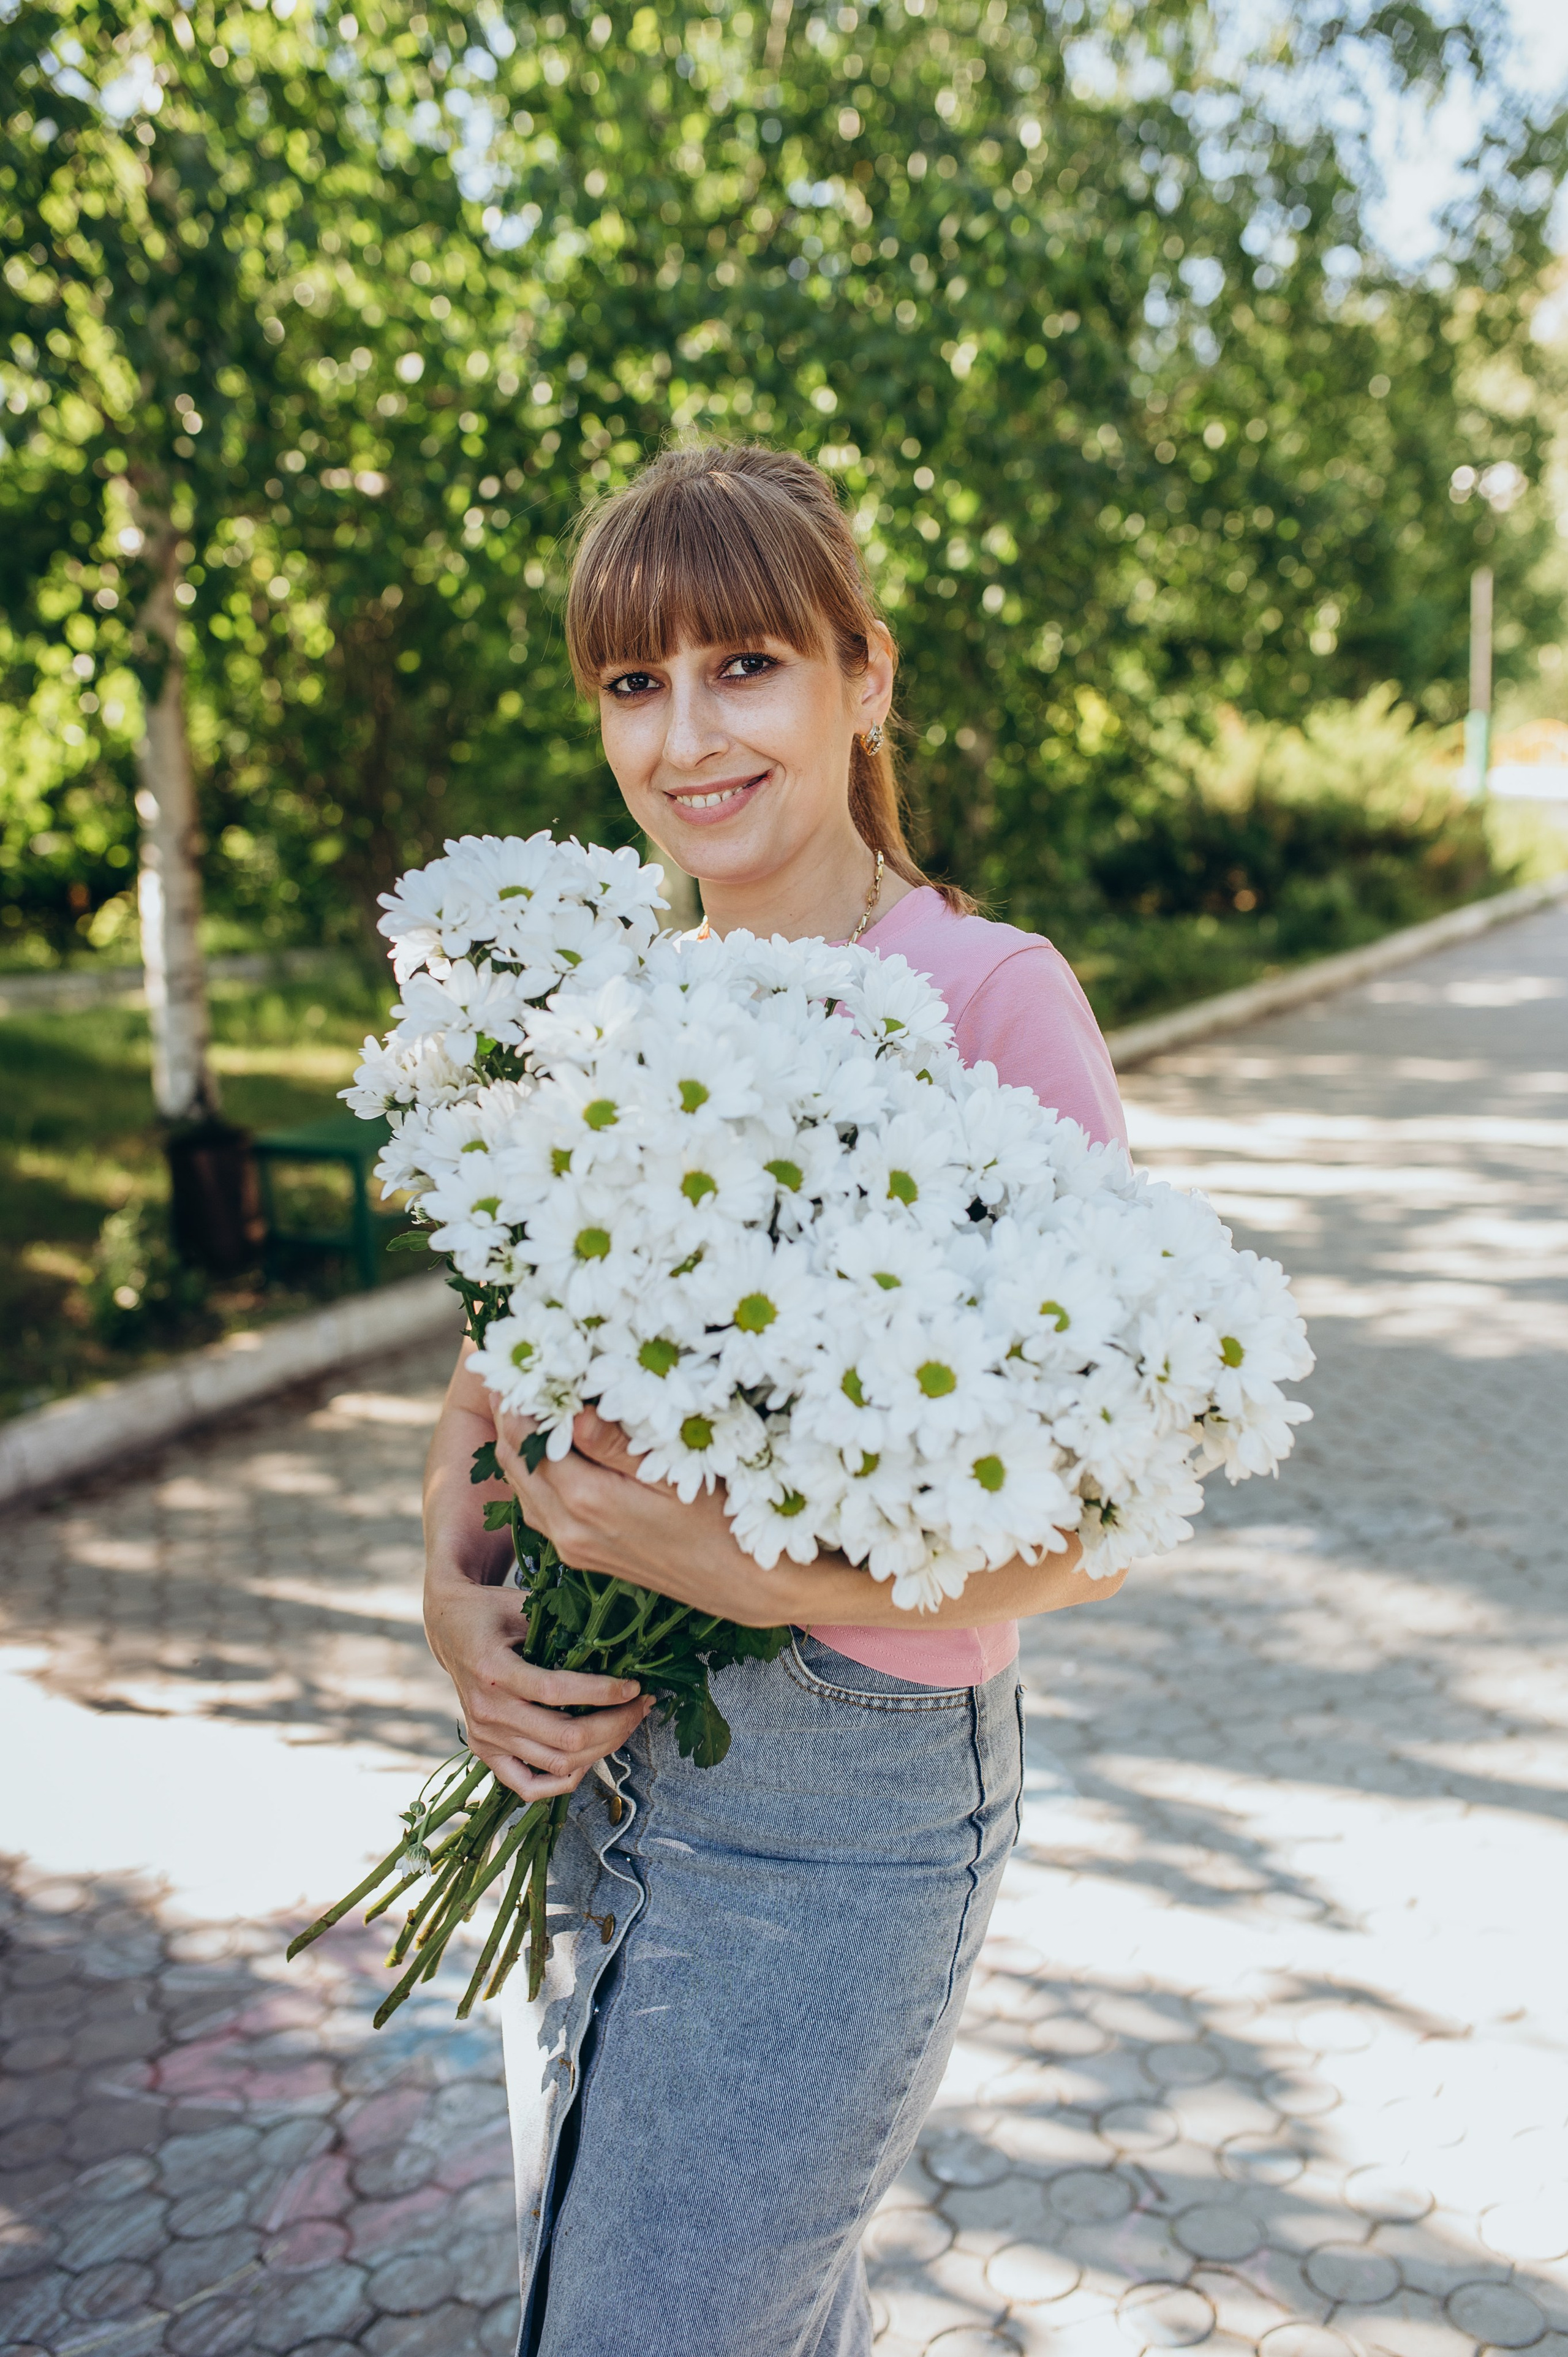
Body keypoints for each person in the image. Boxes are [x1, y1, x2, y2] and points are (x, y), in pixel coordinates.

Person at [419, 444, 1131, 2357]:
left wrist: (755, 1579)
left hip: (847, 1806)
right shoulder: (613, 996)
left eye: (744, 665)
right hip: (587, 1775)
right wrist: (454, 1596)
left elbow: (1103, 1524)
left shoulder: (985, 997)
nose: (684, 735)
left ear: (864, 679)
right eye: (633, 685)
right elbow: (497, 1362)